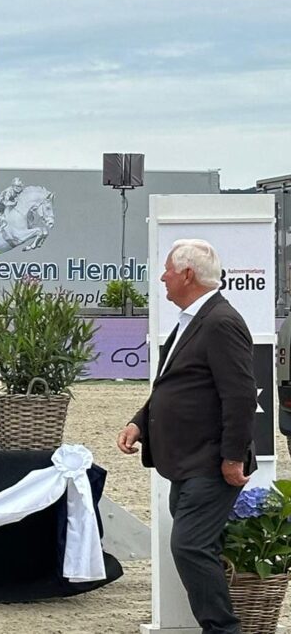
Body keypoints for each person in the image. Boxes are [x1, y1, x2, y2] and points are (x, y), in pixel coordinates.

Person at [118, 239, 256, 634]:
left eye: (168, 270)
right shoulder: (193, 320)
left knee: (190, 546)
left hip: (210, 461)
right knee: (194, 546)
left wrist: (232, 457)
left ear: (188, 275)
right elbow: (174, 385)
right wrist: (140, 423)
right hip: (189, 460)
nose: (162, 277)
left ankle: (223, 629)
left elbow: (241, 395)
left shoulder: (220, 322)